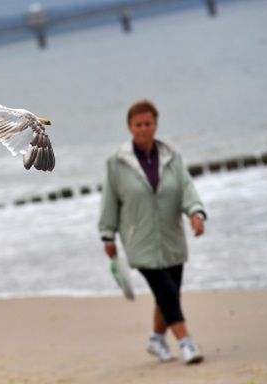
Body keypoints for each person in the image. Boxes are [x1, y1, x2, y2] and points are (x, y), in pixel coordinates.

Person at [98, 99, 206, 365]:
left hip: (172, 236)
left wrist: (195, 213)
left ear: (156, 124)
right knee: (166, 291)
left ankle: (156, 340)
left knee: (168, 294)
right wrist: (107, 235)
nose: (143, 129)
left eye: (148, 123)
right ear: (129, 127)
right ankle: (186, 342)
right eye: (138, 124)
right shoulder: (116, 163)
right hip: (139, 240)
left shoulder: (172, 157)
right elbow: (110, 201)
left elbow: (186, 188)